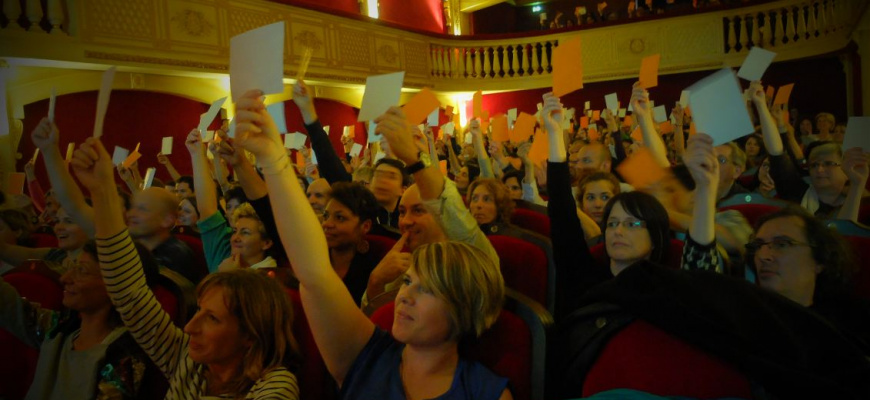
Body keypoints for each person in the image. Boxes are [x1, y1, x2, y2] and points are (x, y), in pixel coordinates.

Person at [230, 89, 511, 399]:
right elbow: (314, 274)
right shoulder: (365, 357)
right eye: (407, 281)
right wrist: (273, 159)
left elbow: (470, 242)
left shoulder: (486, 393)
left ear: (465, 306)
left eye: (428, 288)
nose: (404, 296)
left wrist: (416, 161)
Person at [70, 136, 301, 399]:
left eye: (212, 318)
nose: (189, 326)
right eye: (200, 310)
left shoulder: (274, 387)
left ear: (251, 334)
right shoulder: (188, 357)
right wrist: (102, 191)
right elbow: (129, 294)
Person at [541, 92, 722, 319]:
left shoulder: (670, 288)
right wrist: (555, 134)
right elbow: (562, 214)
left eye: (632, 223)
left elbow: (702, 268)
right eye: (612, 223)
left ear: (656, 237)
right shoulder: (584, 274)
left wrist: (706, 190)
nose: (618, 230)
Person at [0, 239, 166, 399]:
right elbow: (8, 306)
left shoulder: (123, 359)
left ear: (117, 287)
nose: (65, 278)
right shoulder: (62, 330)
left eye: (82, 270)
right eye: (72, 267)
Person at [747, 206, 870, 354]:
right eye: (758, 246)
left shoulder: (854, 323)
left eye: (782, 244)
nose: (763, 256)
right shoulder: (743, 314)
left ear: (819, 260)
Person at [752, 81, 869, 219]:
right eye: (814, 165)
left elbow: (846, 234)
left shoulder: (864, 206)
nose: (819, 170)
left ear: (847, 171)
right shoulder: (797, 191)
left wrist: (857, 185)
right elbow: (777, 153)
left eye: (828, 164)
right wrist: (761, 106)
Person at [185, 128, 276, 274]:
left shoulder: (276, 274)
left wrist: (226, 277)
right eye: (234, 231)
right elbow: (207, 209)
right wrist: (197, 154)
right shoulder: (224, 252)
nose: (235, 238)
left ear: (266, 243)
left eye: (245, 233)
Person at [317, 181, 382, 305]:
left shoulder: (373, 268)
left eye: (340, 218)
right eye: (326, 216)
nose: (326, 224)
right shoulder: (314, 259)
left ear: (365, 226)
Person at [127, 186, 201, 283]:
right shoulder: (129, 249)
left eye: (142, 209)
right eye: (132, 207)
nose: (131, 214)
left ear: (167, 220)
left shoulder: (176, 259)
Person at [0, 207, 88, 276]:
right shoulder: (56, 254)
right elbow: (8, 251)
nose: (58, 228)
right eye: (57, 221)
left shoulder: (97, 265)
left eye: (69, 221)